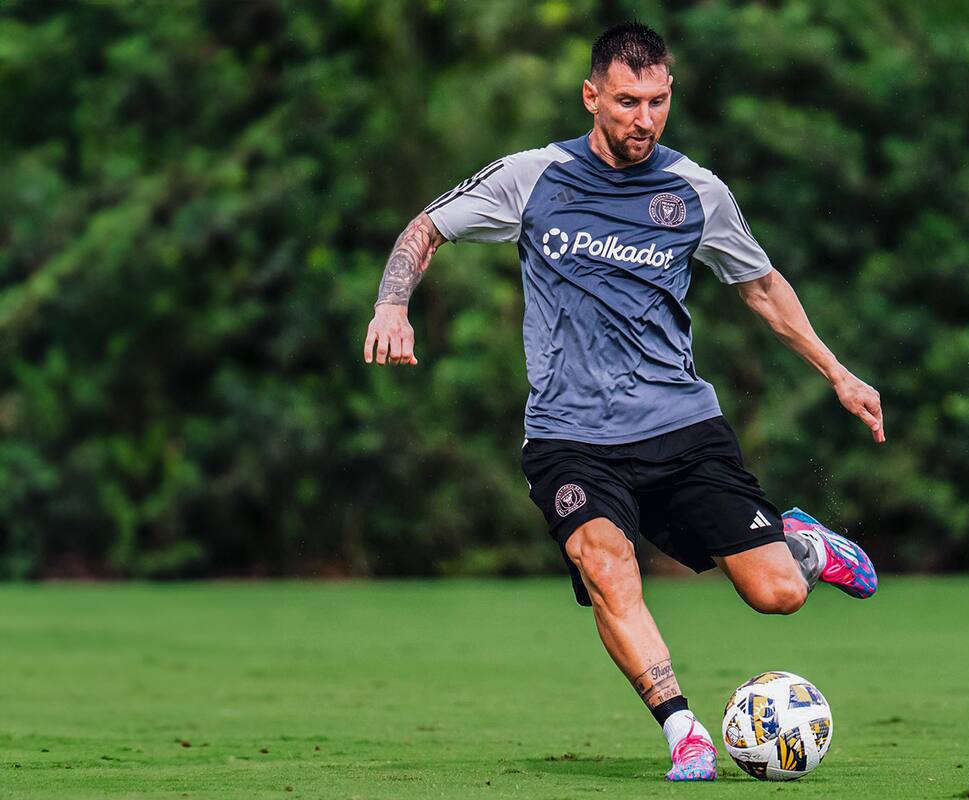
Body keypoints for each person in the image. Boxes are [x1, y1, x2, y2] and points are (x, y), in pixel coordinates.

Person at [363, 21, 884, 782]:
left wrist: (838, 372)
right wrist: (391, 304)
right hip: (568, 437)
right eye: (627, 101)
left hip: (680, 427)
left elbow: (762, 288)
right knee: (607, 566)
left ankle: (801, 544)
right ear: (591, 96)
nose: (644, 119)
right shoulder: (533, 177)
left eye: (658, 102)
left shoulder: (696, 192)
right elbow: (426, 227)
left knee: (776, 595)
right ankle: (685, 733)